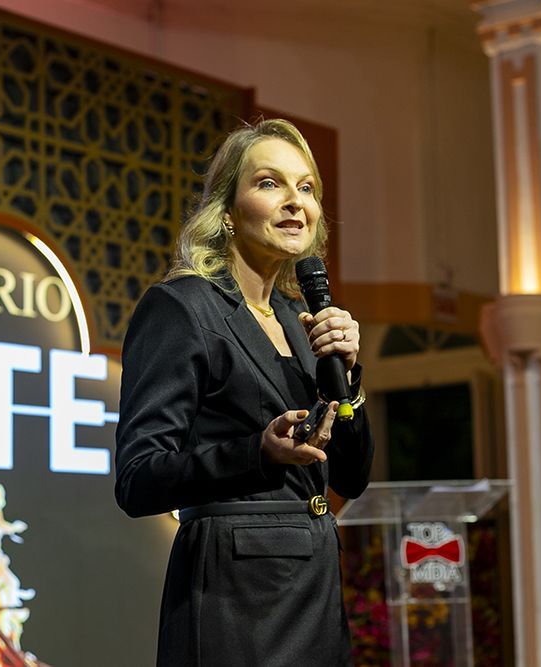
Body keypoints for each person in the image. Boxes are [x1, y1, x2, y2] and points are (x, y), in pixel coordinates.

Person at [114, 118, 374, 667]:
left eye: (307, 188)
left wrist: (348, 377)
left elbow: (350, 477)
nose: (295, 202)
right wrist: (258, 453)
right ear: (227, 210)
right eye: (269, 183)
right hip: (235, 598)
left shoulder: (299, 319)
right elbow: (138, 479)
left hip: (315, 589)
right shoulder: (183, 307)